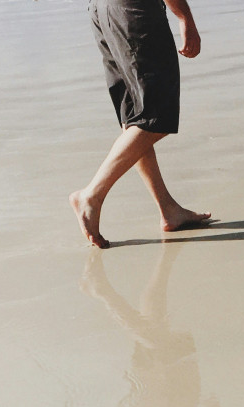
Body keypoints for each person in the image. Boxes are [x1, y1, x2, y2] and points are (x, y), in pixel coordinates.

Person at [71, 0, 212, 248]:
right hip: (134, 10)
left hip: (102, 10)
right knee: (154, 118)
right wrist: (185, 18)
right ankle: (92, 195)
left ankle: (168, 210)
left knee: (135, 117)